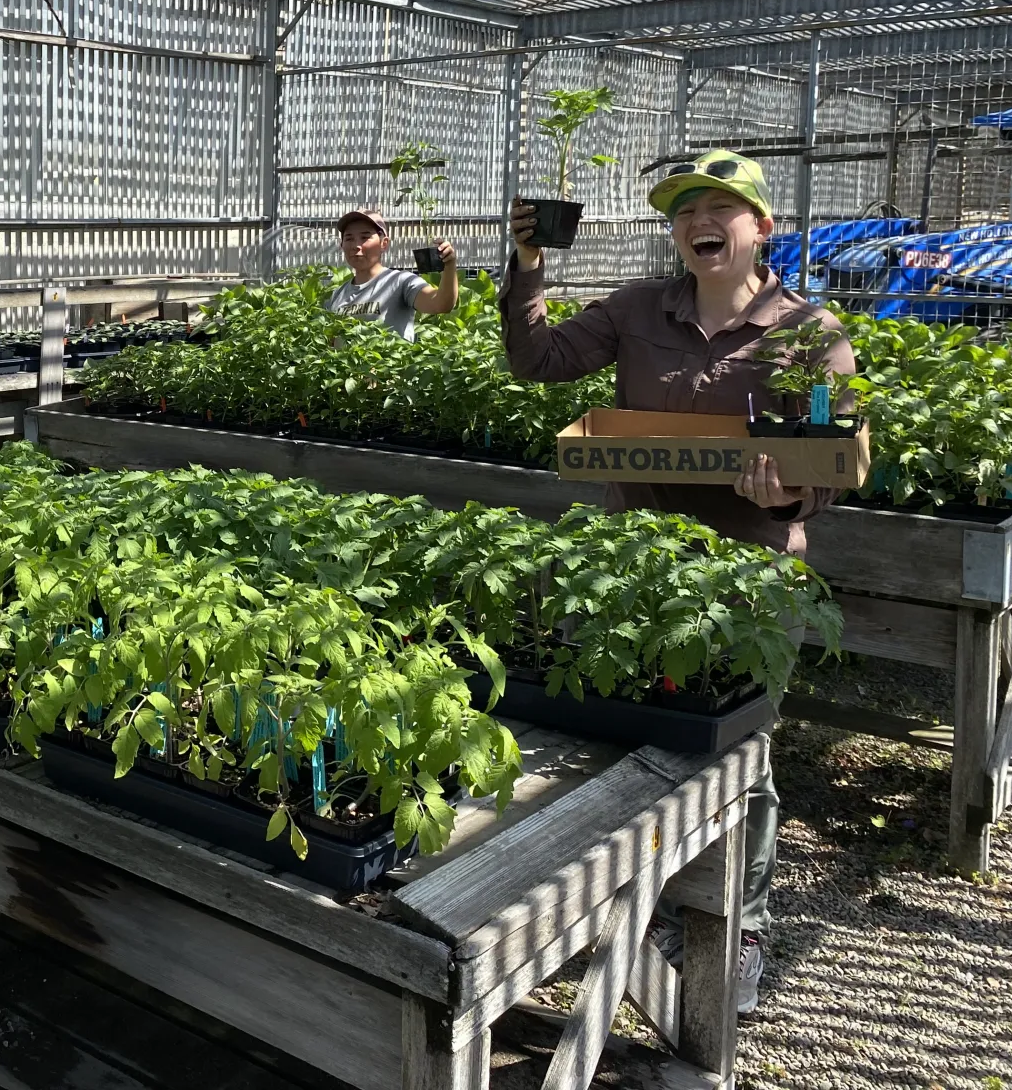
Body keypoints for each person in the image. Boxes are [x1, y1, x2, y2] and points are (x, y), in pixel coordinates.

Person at [500, 149, 856, 1016]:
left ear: (761, 227)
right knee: (635, 739)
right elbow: (537, 360)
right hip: (639, 570)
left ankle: (740, 928)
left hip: (749, 579)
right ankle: (647, 906)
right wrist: (528, 264)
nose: (699, 222)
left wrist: (789, 492)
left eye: (719, 208)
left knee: (741, 757)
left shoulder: (810, 335)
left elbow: (838, 458)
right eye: (683, 211)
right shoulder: (634, 310)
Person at [327, 208, 460, 339]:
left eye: (365, 237)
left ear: (384, 243)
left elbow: (441, 304)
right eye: (349, 238)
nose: (356, 245)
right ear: (342, 245)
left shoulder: (401, 282)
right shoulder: (337, 295)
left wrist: (449, 265)